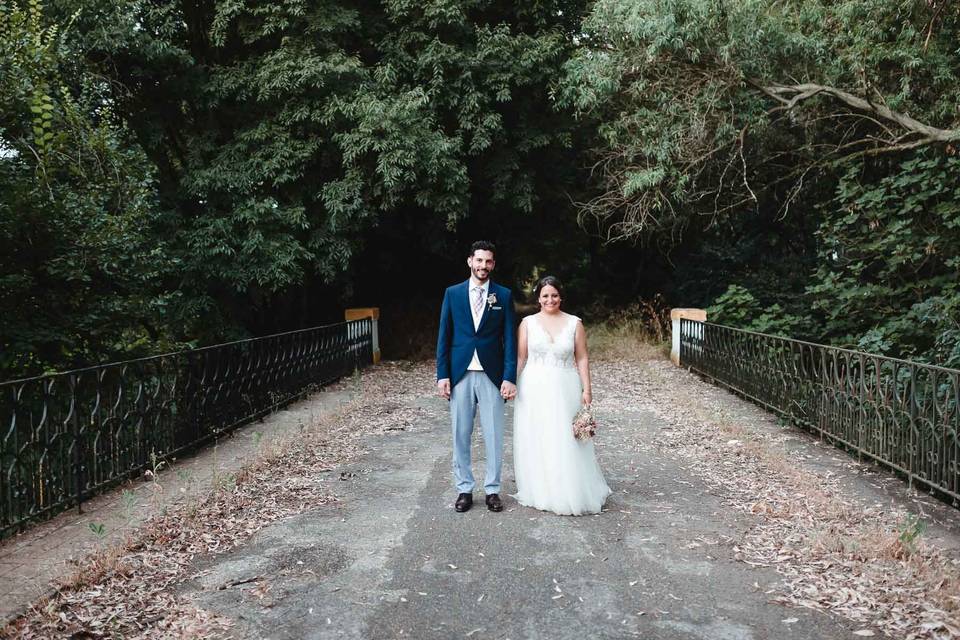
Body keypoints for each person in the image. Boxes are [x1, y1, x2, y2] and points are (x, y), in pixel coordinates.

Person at [512, 275, 611, 515]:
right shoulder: (527, 323)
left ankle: (570, 487)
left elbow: (582, 357)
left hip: (565, 385)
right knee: (539, 435)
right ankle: (542, 487)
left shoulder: (574, 323)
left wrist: (587, 388)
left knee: (565, 437)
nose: (550, 299)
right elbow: (521, 357)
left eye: (554, 295)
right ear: (538, 298)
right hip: (534, 386)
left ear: (561, 297)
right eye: (545, 295)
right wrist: (511, 382)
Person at [436, 241, 518, 513]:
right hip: (460, 373)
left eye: (489, 262)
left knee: (494, 434)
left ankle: (493, 490)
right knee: (460, 433)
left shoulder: (503, 296)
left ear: (493, 264)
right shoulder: (453, 293)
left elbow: (510, 339)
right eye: (479, 260)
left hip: (492, 375)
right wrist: (442, 374)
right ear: (470, 261)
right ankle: (464, 489)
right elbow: (444, 337)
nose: (483, 266)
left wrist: (509, 377)